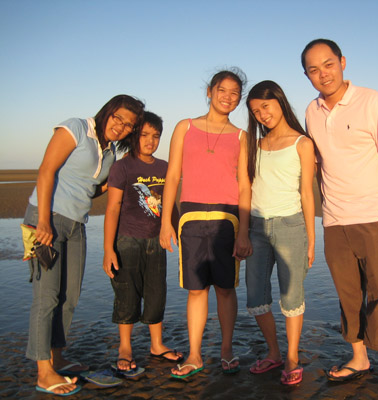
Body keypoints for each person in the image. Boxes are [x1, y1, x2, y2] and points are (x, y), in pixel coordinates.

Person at [301, 39, 378, 400]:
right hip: (333, 219)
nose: (323, 74)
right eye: (313, 69)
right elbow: (316, 165)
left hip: (373, 216)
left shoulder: (371, 100)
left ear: (343, 62)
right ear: (307, 75)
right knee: (349, 295)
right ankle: (359, 357)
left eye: (328, 64)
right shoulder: (311, 111)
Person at [23, 95, 145, 395]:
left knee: (70, 295)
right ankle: (43, 371)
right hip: (47, 217)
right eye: (118, 118)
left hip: (77, 223)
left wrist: (117, 183)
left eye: (128, 125)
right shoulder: (75, 128)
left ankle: (57, 355)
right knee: (47, 295)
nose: (121, 126)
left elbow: (90, 188)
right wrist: (42, 221)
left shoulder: (110, 151)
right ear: (107, 111)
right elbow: (46, 171)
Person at [160, 69, 252, 379]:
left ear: (239, 99)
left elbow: (244, 186)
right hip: (191, 217)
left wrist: (244, 231)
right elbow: (172, 176)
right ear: (209, 92)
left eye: (235, 93)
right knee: (196, 290)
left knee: (226, 289)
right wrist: (166, 223)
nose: (228, 96)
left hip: (228, 218)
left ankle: (226, 350)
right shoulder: (184, 127)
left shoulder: (241, 136)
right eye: (222, 90)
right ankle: (195, 354)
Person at [244, 80, 315, 385]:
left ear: (279, 101)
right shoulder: (254, 145)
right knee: (256, 296)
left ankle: (292, 357)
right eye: (255, 111)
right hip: (257, 228)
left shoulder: (303, 143)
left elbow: (307, 195)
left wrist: (311, 241)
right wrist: (242, 232)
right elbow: (245, 189)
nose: (261, 114)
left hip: (290, 225)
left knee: (291, 296)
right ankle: (274, 353)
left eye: (265, 106)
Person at [103, 111, 182, 375]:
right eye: (144, 135)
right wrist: (107, 250)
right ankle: (125, 347)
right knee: (126, 292)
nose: (150, 141)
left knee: (156, 292)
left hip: (156, 240)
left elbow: (171, 204)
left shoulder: (164, 167)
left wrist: (179, 233)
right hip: (127, 240)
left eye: (156, 136)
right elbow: (112, 208)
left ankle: (157, 344)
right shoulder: (122, 167)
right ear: (135, 136)